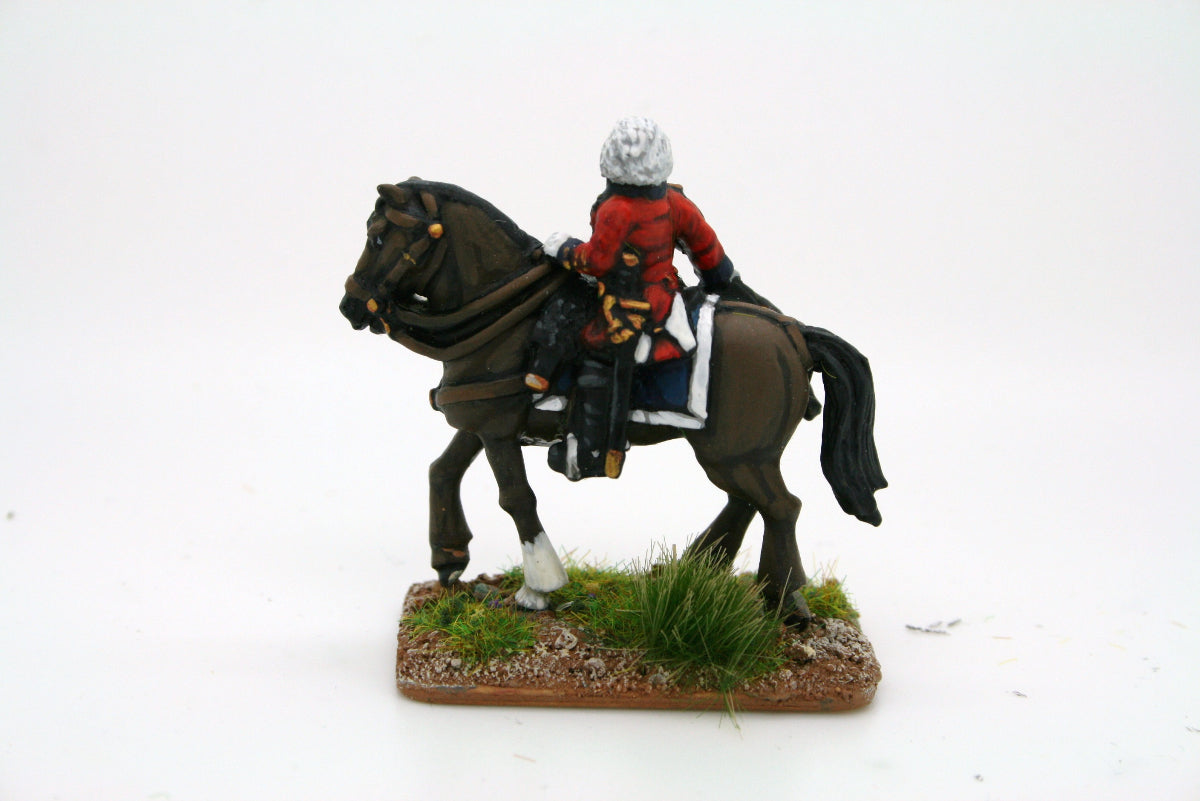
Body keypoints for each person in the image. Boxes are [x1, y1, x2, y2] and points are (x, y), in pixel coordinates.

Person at [534, 117, 775, 480]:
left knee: (594, 353)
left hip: (628, 305)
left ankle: (590, 452)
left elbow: (597, 261)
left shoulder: (616, 209)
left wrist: (563, 248)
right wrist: (718, 279)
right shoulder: (675, 200)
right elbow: (706, 248)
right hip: (666, 296)